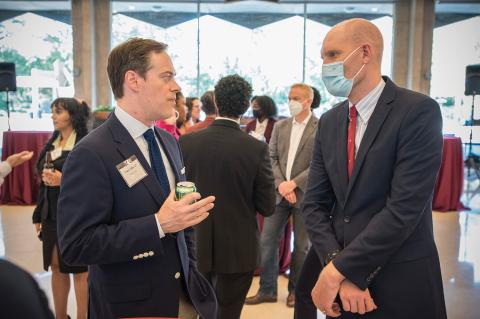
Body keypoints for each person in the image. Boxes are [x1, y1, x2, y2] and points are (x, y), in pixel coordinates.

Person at [295, 18, 446, 319]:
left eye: (333, 55)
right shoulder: (330, 121)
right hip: (345, 287)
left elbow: (404, 209)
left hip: (399, 277)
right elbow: (314, 204)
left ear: (365, 53)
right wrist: (338, 266)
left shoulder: (418, 112)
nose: (325, 65)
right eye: (323, 57)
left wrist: (339, 270)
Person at [56, 38, 217, 319]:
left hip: (183, 297)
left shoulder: (168, 142)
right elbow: (76, 245)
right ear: (133, 80)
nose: (176, 87)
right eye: (166, 76)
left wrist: (190, 271)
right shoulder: (92, 152)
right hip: (129, 306)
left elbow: (182, 220)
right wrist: (158, 224)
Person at [179, 74, 276, 319]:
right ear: (246, 107)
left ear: (216, 102)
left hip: (195, 242)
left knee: (197, 310)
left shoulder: (187, 142)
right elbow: (267, 206)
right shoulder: (256, 148)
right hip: (238, 246)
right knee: (229, 312)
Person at [245, 84, 318, 308]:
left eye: (296, 98)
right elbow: (271, 156)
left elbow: (319, 163)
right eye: (289, 97)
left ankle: (296, 290)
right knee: (267, 242)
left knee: (302, 247)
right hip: (279, 194)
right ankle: (267, 289)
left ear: (308, 101)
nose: (291, 101)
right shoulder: (281, 125)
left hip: (305, 195)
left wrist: (294, 184)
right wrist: (282, 186)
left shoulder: (321, 126)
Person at [31, 97, 90, 319]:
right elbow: (43, 186)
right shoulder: (52, 143)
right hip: (51, 214)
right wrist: (38, 214)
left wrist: (63, 179)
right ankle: (60, 316)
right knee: (56, 267)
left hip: (77, 215)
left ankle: (84, 316)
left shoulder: (85, 143)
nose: (53, 116)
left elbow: (92, 182)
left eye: (58, 112)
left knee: (80, 270)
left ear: (72, 115)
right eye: (52, 111)